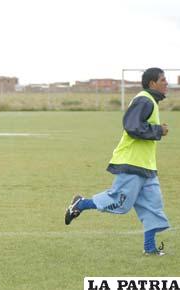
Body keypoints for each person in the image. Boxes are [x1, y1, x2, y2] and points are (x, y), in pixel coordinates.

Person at [65, 67, 170, 256]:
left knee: (153, 206)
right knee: (120, 203)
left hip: (147, 166)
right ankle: (80, 204)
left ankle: (150, 248)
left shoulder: (151, 101)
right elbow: (132, 127)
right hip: (132, 163)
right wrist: (158, 131)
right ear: (152, 83)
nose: (167, 83)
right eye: (163, 80)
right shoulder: (144, 100)